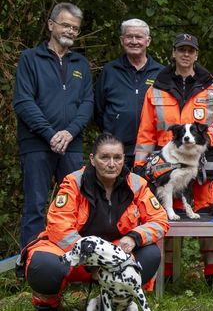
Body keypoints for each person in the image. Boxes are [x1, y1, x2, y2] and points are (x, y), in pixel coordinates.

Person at [21, 133, 168, 310]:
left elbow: (159, 220)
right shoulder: (74, 182)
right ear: (92, 159)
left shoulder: (137, 184)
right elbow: (58, 226)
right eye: (104, 157)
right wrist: (92, 260)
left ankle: (114, 299)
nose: (112, 164)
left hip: (115, 255)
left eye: (117, 158)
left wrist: (134, 237)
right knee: (42, 264)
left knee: (151, 253)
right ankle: (48, 304)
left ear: (124, 159)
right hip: (76, 257)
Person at [134, 33, 213, 284]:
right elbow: (146, 131)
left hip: (207, 161)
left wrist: (203, 142)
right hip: (167, 164)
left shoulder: (211, 85)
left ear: (196, 54)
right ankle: (165, 277)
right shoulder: (157, 87)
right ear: (174, 53)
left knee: (210, 219)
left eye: (191, 50)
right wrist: (139, 166)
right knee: (167, 218)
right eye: (181, 50)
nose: (186, 54)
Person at [14, 2, 93, 249]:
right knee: (35, 206)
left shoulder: (81, 64)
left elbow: (88, 103)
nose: (70, 31)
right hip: (36, 144)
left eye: (75, 28)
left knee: (77, 205)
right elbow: (24, 102)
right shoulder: (30, 59)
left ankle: (75, 265)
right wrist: (50, 135)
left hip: (72, 146)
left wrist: (69, 133)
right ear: (51, 25)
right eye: (66, 25)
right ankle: (31, 265)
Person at [95, 18, 164, 165]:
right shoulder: (110, 71)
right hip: (116, 151)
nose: (134, 41)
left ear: (148, 41)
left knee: (147, 188)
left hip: (152, 150)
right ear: (122, 40)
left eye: (138, 37)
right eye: (129, 37)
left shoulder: (161, 74)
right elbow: (99, 109)